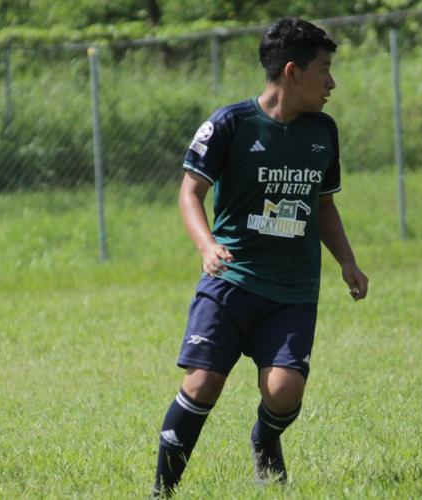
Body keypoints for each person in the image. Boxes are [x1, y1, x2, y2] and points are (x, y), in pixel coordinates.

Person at [152, 17, 369, 497]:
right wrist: (208, 245)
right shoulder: (230, 124)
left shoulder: (322, 132)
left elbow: (324, 205)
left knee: (284, 391)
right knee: (203, 383)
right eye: (325, 69)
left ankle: (265, 441)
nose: (332, 82)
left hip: (292, 289)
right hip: (231, 281)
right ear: (293, 72)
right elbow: (190, 193)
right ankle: (161, 491)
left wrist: (347, 262)